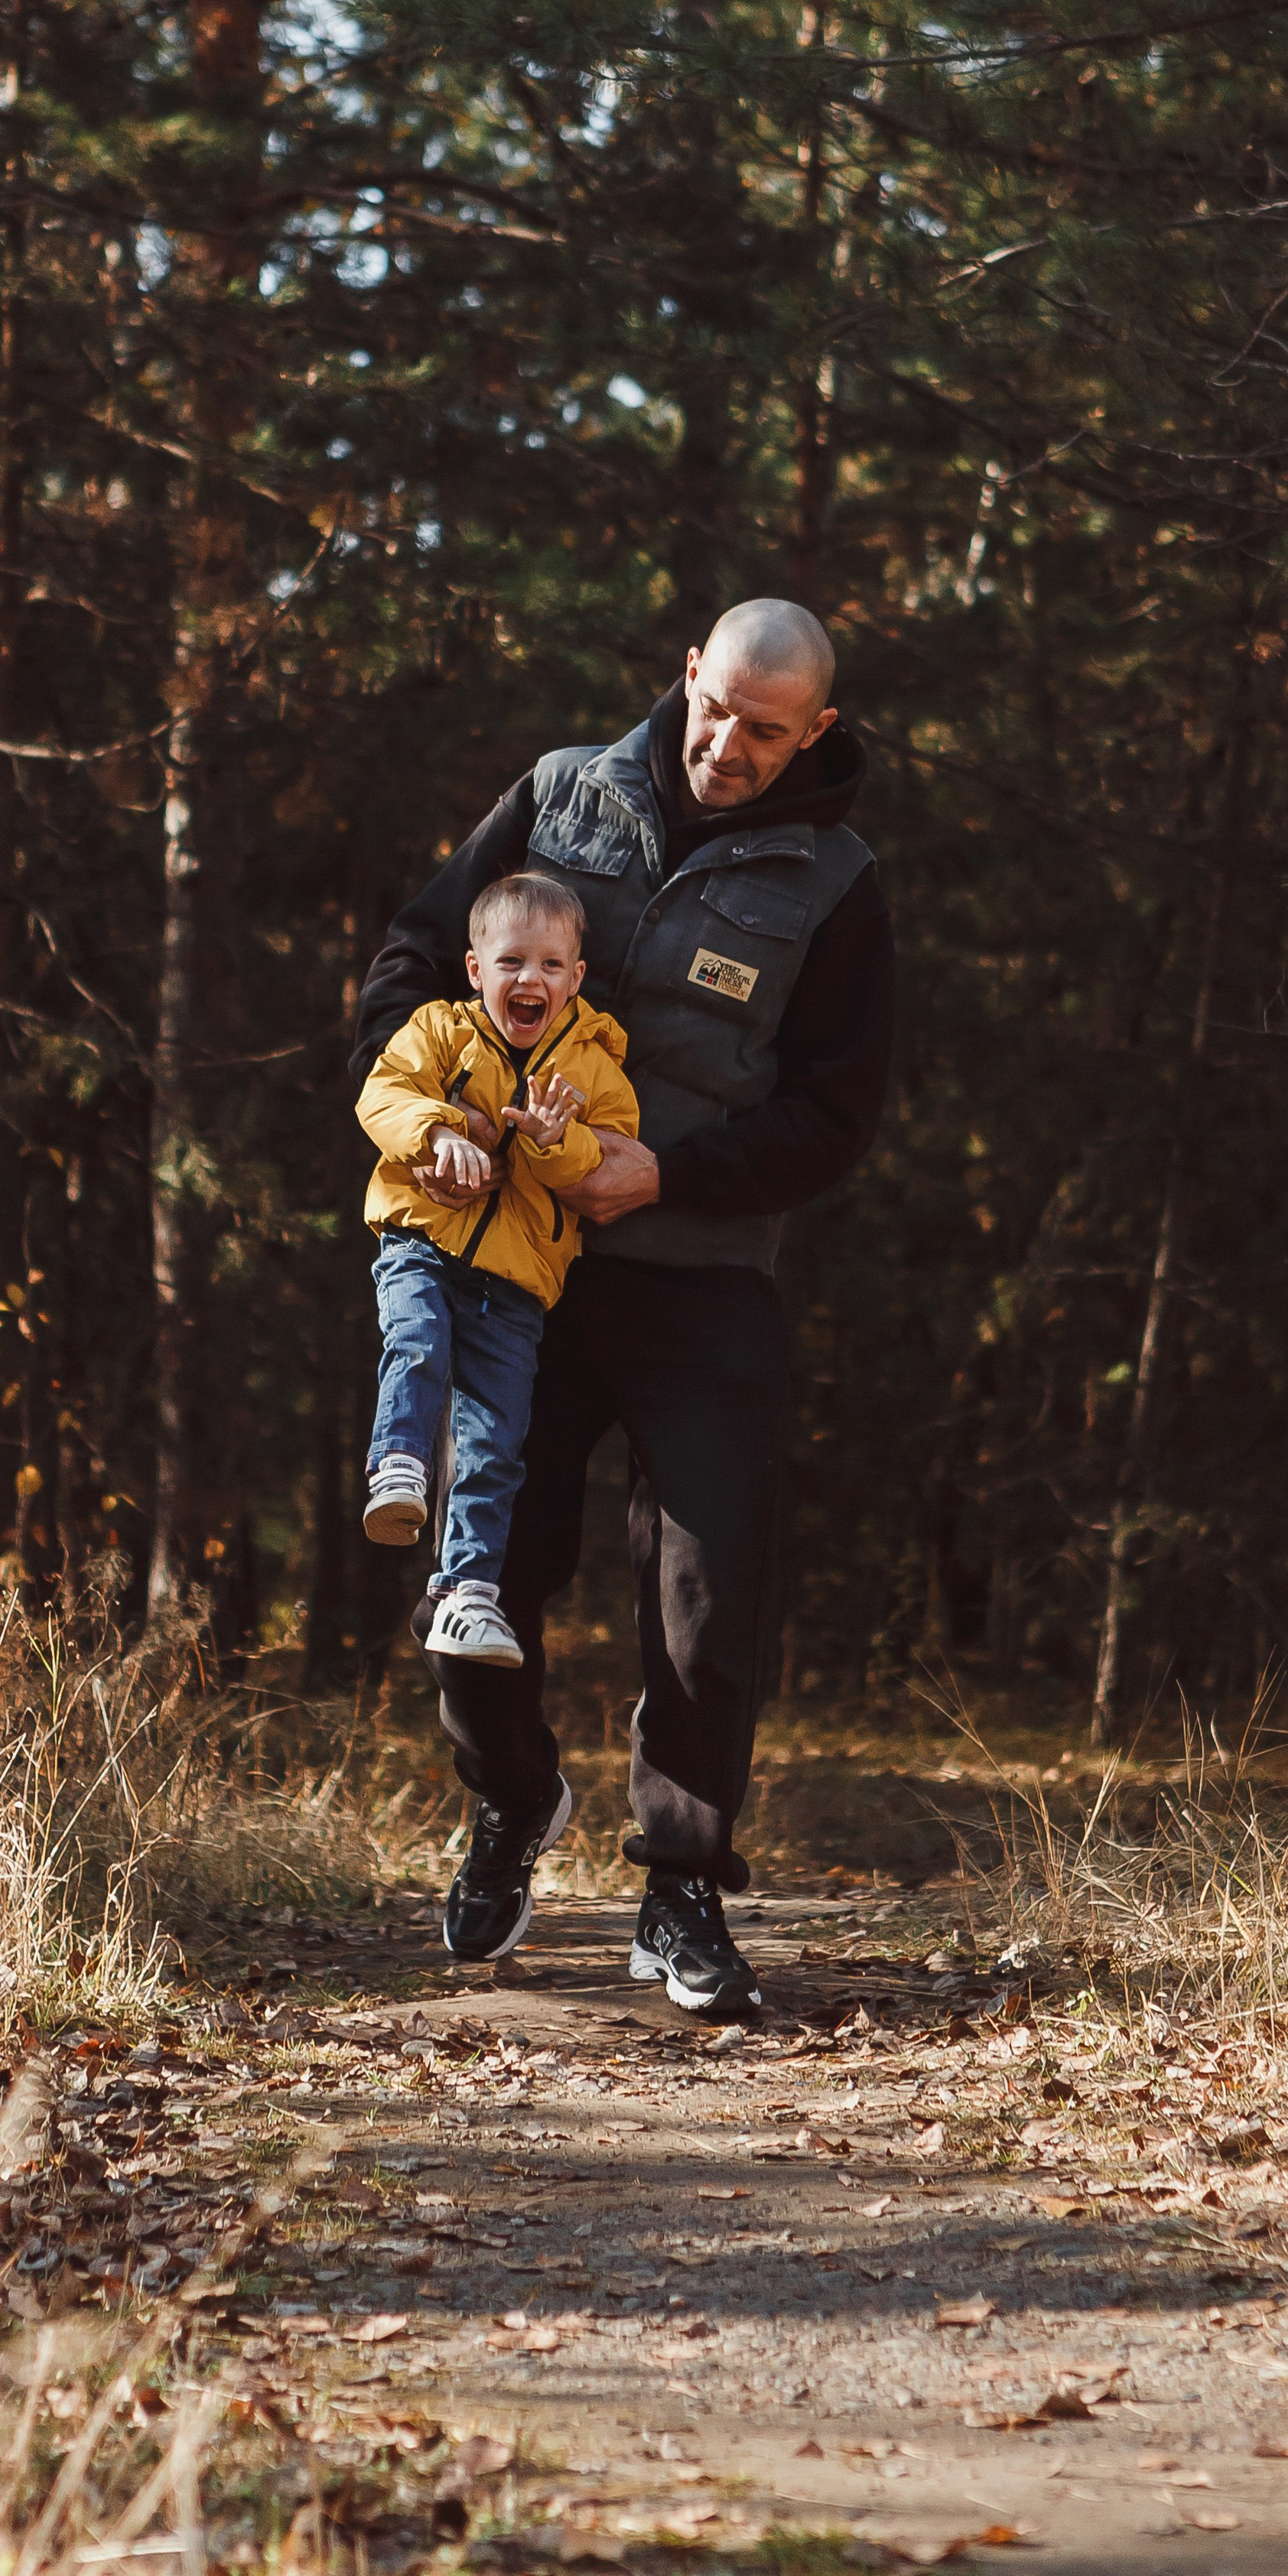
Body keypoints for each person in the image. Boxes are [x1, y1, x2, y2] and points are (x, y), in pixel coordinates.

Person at [352, 599, 895, 2015]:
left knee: (708, 1586)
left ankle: (682, 1887)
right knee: (480, 1564)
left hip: (702, 1273)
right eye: (716, 707)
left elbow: (838, 1113)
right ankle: (510, 1798)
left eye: (765, 730)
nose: (727, 745)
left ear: (815, 731)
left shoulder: (837, 881)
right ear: (689, 674)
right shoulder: (557, 794)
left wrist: (674, 1173)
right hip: (511, 1266)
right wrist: (431, 1127)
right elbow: (410, 965)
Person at [355, 872, 639, 1669]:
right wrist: (440, 1131)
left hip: (516, 1282)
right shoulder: (440, 1030)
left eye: (550, 965)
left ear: (575, 978)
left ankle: (467, 1592)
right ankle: (399, 1464)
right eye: (512, 961)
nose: (530, 979)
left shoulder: (596, 1069)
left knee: (495, 1438)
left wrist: (555, 1142)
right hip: (422, 1240)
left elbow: (607, 1160)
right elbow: (383, 1095)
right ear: (477, 969)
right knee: (415, 1342)